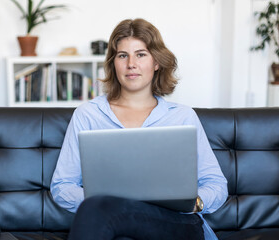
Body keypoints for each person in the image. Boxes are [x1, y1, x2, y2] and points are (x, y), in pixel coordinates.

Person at [50, 18, 228, 240]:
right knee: (103, 215)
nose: (131, 64)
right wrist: (109, 203)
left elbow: (216, 184)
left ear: (156, 62)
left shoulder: (182, 116)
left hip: (176, 222)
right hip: (109, 219)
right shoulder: (88, 115)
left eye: (141, 54)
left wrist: (196, 203)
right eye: (122, 55)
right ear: (113, 63)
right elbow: (62, 186)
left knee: (100, 212)